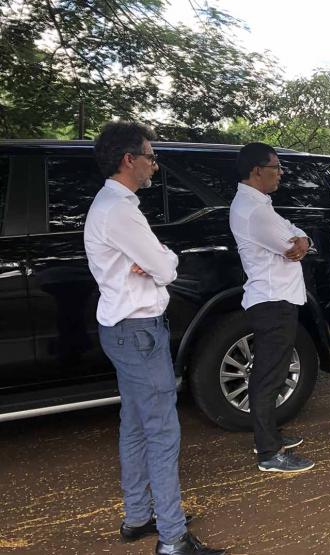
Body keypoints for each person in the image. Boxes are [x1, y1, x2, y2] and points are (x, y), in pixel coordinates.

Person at [85, 121, 223, 555]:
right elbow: (165, 269)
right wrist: (161, 260)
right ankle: (173, 537)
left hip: (123, 328)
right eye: (150, 156)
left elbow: (160, 262)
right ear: (129, 160)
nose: (154, 166)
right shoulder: (120, 209)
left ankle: (139, 516)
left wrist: (159, 259)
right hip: (138, 331)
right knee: (162, 430)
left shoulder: (113, 204)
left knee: (136, 424)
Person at [230, 142, 315, 474]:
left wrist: (302, 239)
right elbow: (289, 243)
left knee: (272, 372)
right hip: (273, 300)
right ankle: (269, 453)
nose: (280, 173)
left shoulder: (259, 205)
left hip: (275, 298)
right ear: (256, 171)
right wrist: (300, 241)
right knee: (268, 376)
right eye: (276, 167)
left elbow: (295, 235)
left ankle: (268, 437)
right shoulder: (255, 211)